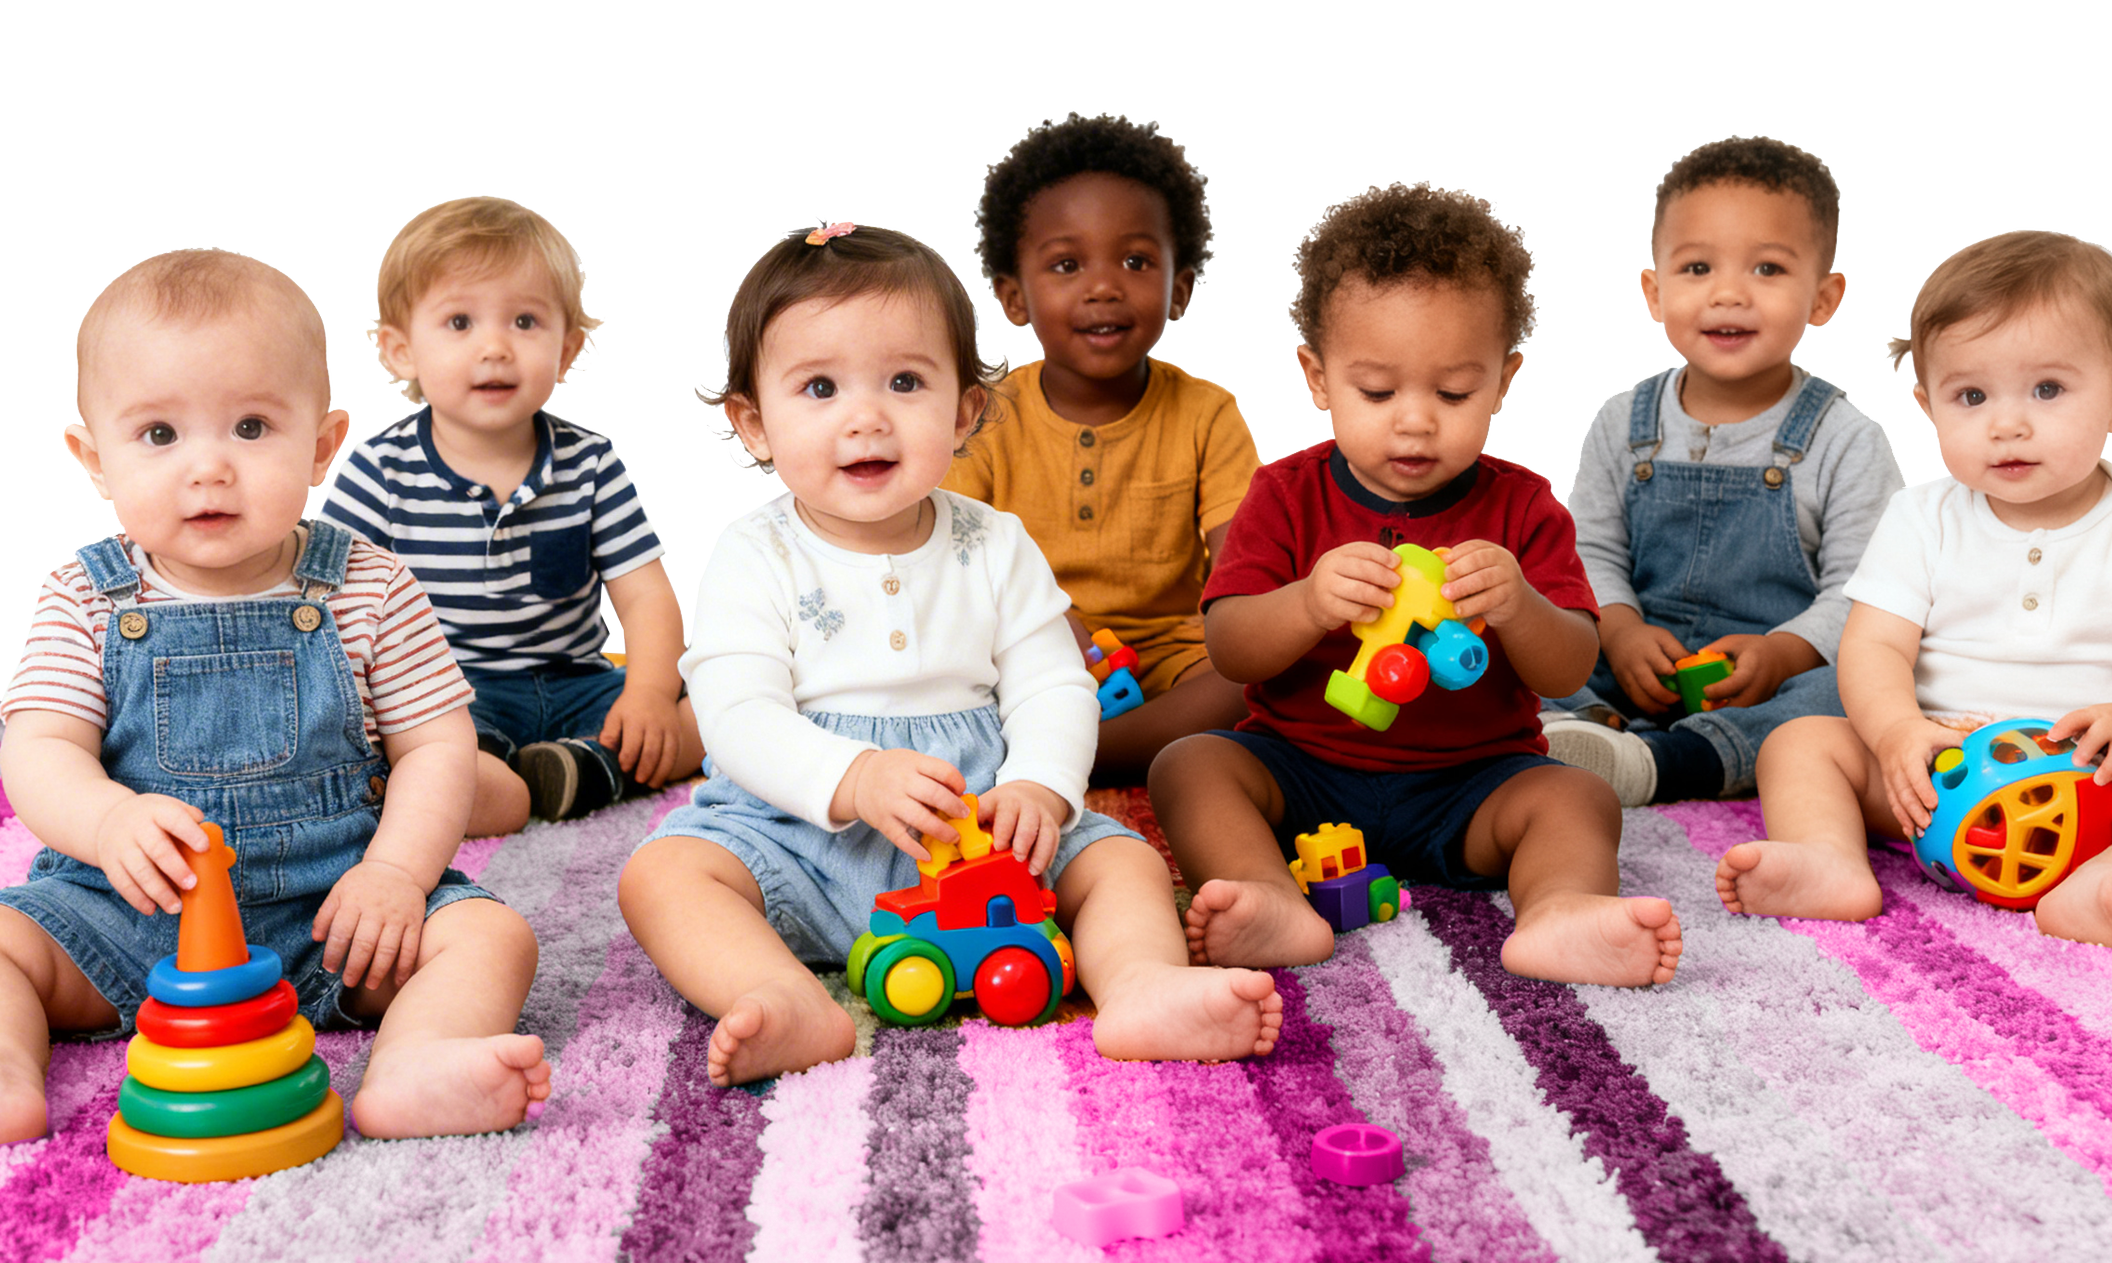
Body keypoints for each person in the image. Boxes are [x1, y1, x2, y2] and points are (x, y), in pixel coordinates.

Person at [0, 249, 549, 1162]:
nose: (209, 467)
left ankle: (419, 1060)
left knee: (489, 934)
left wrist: (397, 876)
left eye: (251, 426)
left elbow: (437, 748)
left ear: (322, 444)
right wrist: (107, 821)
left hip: (335, 914)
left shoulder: (369, 585)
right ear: (94, 460)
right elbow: (40, 749)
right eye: (160, 434)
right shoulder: (84, 595)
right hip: (125, 918)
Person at [616, 222, 1282, 1086]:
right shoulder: (754, 553)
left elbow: (1053, 684)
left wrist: (1039, 784)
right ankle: (778, 994)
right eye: (819, 387)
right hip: (797, 838)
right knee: (664, 873)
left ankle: (1140, 984)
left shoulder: (995, 543)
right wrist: (854, 776)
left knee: (1121, 862)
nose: (866, 417)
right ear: (755, 423)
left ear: (964, 411)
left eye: (905, 381)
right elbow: (736, 714)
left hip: (987, 831)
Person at [1149, 184, 1684, 987]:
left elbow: (1572, 665)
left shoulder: (1523, 506)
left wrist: (1518, 605)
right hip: (1302, 771)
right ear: (1317, 376)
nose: (1414, 420)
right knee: (1188, 764)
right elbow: (1230, 647)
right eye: (1377, 391)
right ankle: (1268, 895)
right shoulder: (1284, 494)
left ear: (1503, 381)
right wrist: (1308, 601)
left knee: (1580, 799)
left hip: (1472, 785)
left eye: (1454, 392)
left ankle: (1560, 910)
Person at [1716, 230, 2112, 954]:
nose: (2007, 424)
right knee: (1800, 741)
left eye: (2048, 389)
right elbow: (1874, 645)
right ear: (1928, 407)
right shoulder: (1921, 517)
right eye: (1971, 396)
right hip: (1943, 779)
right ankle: (1827, 859)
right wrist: (1896, 733)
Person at [1543, 135, 1905, 805]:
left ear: (1823, 298)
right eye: (1697, 267)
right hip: (1634, 663)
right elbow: (1589, 549)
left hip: (1768, 679)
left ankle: (1679, 760)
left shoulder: (1846, 439)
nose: (1729, 294)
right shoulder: (1623, 421)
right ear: (1655, 292)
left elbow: (1864, 594)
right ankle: (1586, 728)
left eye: (1768, 268)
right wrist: (1619, 631)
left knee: (1857, 688)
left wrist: (1784, 654)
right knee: (1531, 640)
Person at [324, 196, 701, 835]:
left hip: (580, 683)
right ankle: (517, 781)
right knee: (417, 752)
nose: (496, 347)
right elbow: (337, 602)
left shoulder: (589, 465)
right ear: (400, 350)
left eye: (525, 322)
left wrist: (648, 695)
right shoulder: (380, 472)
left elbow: (644, 596)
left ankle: (579, 768)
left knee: (716, 709)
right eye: (460, 322)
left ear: (566, 349)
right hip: (448, 694)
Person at [943, 114, 1255, 780]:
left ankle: (1082, 754)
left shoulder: (1208, 414)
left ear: (1179, 290)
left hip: (1173, 655)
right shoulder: (983, 416)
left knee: (1249, 683)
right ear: (1014, 297)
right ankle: (1096, 744)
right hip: (1025, 643)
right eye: (1067, 264)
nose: (1104, 286)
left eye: (1136, 261)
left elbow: (1244, 576)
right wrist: (1050, 623)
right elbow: (953, 561)